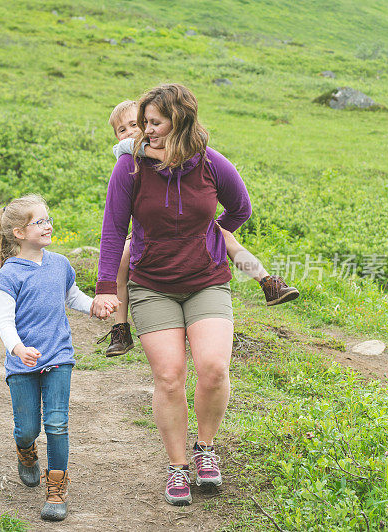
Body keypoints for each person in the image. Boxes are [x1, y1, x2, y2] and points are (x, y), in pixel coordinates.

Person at [92, 84, 250, 505]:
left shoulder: (212, 165)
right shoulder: (129, 169)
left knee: (214, 368)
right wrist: (107, 286)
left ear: (180, 121)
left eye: (154, 123)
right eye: (142, 124)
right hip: (152, 284)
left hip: (206, 280)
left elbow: (241, 209)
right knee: (169, 376)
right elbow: (113, 230)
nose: (145, 132)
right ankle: (178, 466)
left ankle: (206, 450)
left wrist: (212, 234)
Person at [98, 100, 298, 358]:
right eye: (121, 129)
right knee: (123, 260)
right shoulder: (127, 155)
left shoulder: (204, 156)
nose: (132, 132)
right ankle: (120, 326)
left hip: (200, 245)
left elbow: (241, 207)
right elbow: (114, 222)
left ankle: (269, 282)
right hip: (147, 238)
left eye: (136, 124)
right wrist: (157, 154)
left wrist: (210, 231)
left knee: (227, 239)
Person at [0, 194, 111, 521]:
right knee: (28, 428)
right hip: (23, 363)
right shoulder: (10, 274)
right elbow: (4, 321)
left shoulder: (60, 264)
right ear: (18, 233)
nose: (48, 225)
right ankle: (25, 451)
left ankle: (56, 486)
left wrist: (93, 306)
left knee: (57, 423)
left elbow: (71, 296)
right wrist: (18, 348)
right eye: (39, 221)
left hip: (58, 354)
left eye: (48, 219)